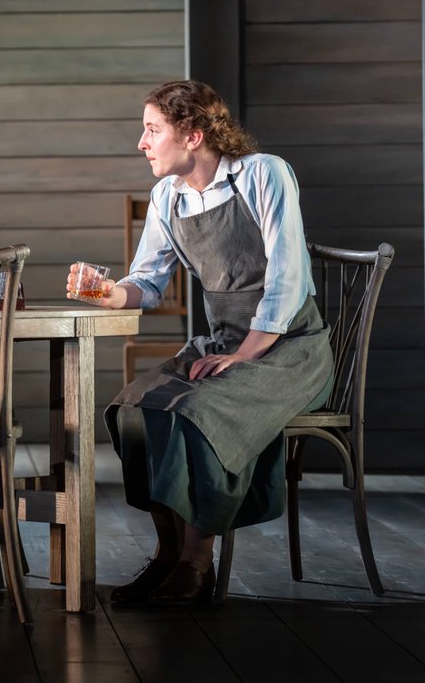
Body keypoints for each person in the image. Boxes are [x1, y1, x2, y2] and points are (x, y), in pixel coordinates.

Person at [66, 80, 333, 606]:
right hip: (223, 342)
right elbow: (146, 284)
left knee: (196, 409)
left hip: (289, 347)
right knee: (133, 408)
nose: (142, 143)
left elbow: (287, 278)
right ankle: (167, 557)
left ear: (192, 135)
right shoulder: (169, 196)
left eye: (152, 130)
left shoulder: (263, 173)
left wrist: (244, 354)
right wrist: (105, 292)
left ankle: (196, 562)